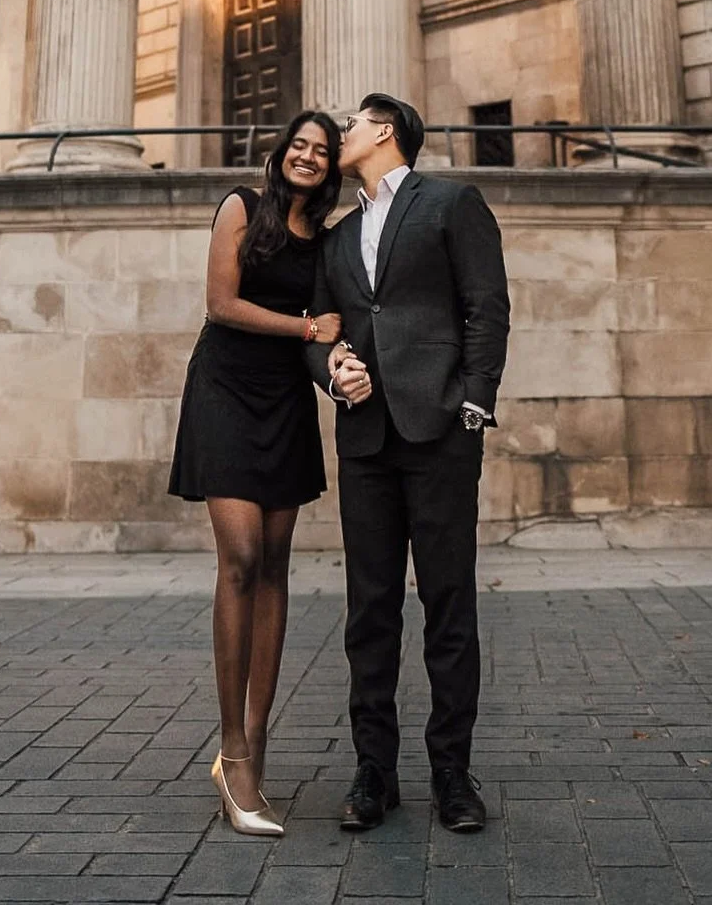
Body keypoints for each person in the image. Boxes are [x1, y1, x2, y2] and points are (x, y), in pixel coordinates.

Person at [307, 93, 510, 835]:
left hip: (440, 432)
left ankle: (453, 774)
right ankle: (375, 773)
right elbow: (318, 329)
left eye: (351, 123)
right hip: (365, 440)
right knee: (370, 609)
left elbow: (486, 306)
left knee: (449, 606)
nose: (340, 132)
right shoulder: (335, 235)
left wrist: (474, 401)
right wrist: (334, 368)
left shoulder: (451, 203)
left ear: (385, 130)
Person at [168, 110, 344, 836]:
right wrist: (306, 327)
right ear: (280, 155)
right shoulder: (242, 206)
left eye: (321, 151)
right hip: (226, 390)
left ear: (331, 168)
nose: (307, 156)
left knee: (274, 566)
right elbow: (221, 303)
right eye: (298, 145)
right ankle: (232, 749)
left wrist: (339, 358)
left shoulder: (326, 240)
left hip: (284, 400)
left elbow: (337, 322)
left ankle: (258, 741)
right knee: (239, 558)